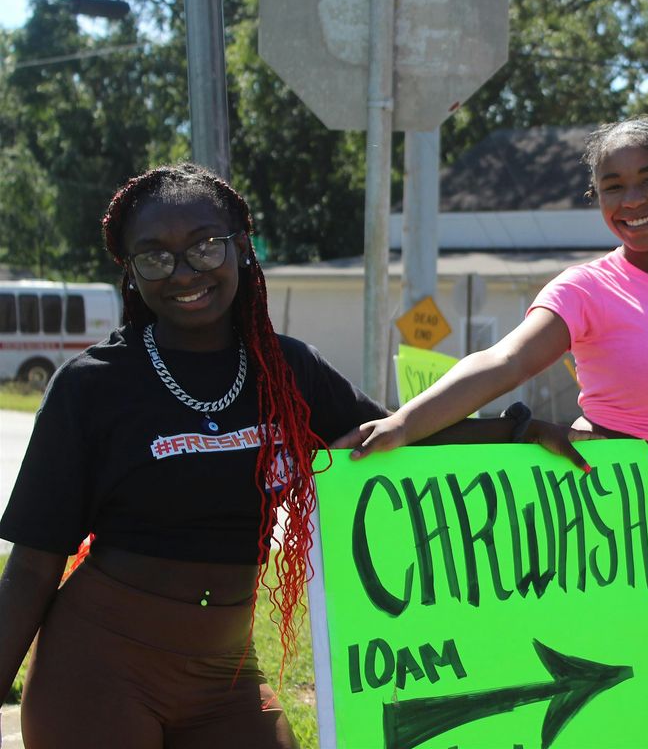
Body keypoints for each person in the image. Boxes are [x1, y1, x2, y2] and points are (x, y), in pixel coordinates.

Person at [0, 163, 579, 749]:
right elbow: (31, 566)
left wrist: (517, 431)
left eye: (205, 247)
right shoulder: (92, 385)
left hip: (223, 674)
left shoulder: (286, 368)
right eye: (155, 257)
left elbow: (399, 440)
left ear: (243, 249)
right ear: (130, 272)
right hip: (101, 668)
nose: (184, 272)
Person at [336, 115, 648, 748]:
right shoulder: (589, 287)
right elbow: (503, 363)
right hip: (594, 537)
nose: (633, 199)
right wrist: (401, 423)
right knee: (609, 730)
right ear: (597, 199)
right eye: (612, 186)